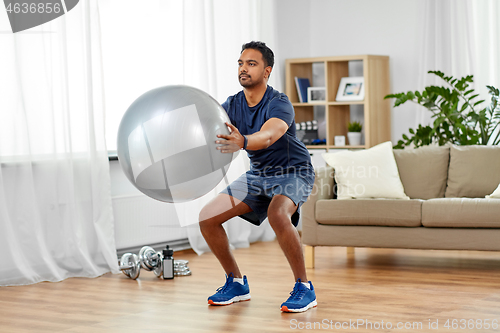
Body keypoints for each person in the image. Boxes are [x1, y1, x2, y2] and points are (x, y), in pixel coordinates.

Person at [199, 41, 316, 313]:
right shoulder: (231, 105)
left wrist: (243, 141)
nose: (243, 68)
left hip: (293, 171)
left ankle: (304, 287)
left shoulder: (279, 103)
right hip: (258, 175)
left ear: (267, 71)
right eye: (241, 63)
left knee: (278, 214)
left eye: (251, 64)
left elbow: (269, 135)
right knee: (207, 218)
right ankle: (236, 282)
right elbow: (207, 129)